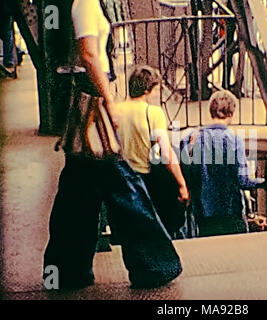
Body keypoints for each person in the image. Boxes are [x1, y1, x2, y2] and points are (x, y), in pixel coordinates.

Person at [43, 0, 183, 290]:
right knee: (125, 185)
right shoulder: (86, 3)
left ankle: (66, 271)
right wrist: (109, 101)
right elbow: (89, 54)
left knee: (76, 193)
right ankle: (153, 265)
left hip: (81, 97)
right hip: (93, 98)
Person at [116, 65, 189, 237]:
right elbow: (166, 152)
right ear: (148, 90)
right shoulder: (153, 113)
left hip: (118, 175)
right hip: (142, 176)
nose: (158, 94)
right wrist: (181, 184)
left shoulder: (116, 110)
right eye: (157, 89)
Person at [180, 90, 265, 237]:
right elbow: (242, 180)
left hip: (203, 211)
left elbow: (186, 171)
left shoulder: (193, 138)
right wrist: (262, 182)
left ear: (211, 112)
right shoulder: (234, 140)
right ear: (231, 114)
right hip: (230, 210)